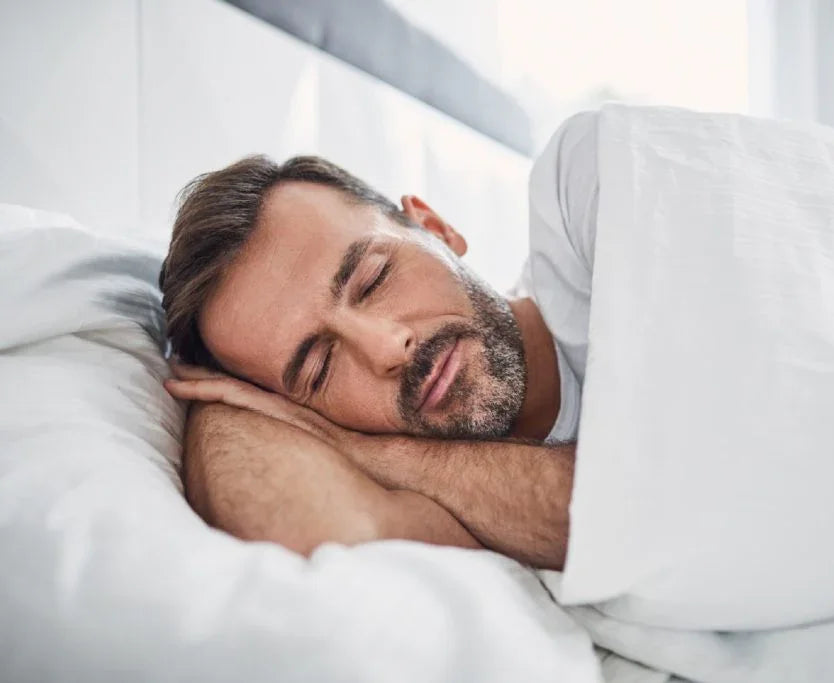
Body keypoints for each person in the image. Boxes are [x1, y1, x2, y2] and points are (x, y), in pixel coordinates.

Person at [160, 113, 599, 569]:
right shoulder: (450, 505)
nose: (388, 348)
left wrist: (366, 450)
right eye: (319, 369)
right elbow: (315, 533)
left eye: (374, 280)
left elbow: (646, 509)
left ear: (435, 227)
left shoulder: (591, 192)